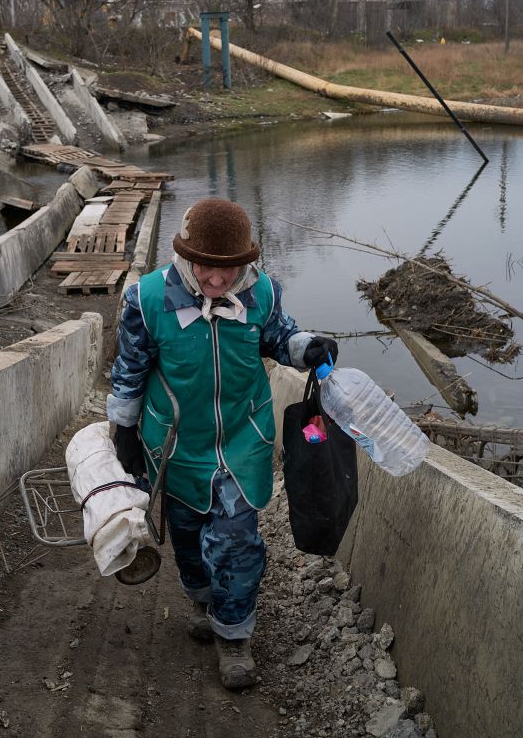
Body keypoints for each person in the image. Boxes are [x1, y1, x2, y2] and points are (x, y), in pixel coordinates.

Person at [107, 198, 337, 689]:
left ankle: (234, 636)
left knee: (236, 538)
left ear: (246, 265)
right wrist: (124, 430)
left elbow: (280, 338)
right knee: (188, 535)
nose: (217, 282)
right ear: (186, 259)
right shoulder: (146, 300)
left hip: (241, 436)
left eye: (229, 272)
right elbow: (129, 370)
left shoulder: (262, 294)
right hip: (175, 443)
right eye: (207, 271)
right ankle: (201, 596)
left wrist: (307, 348)